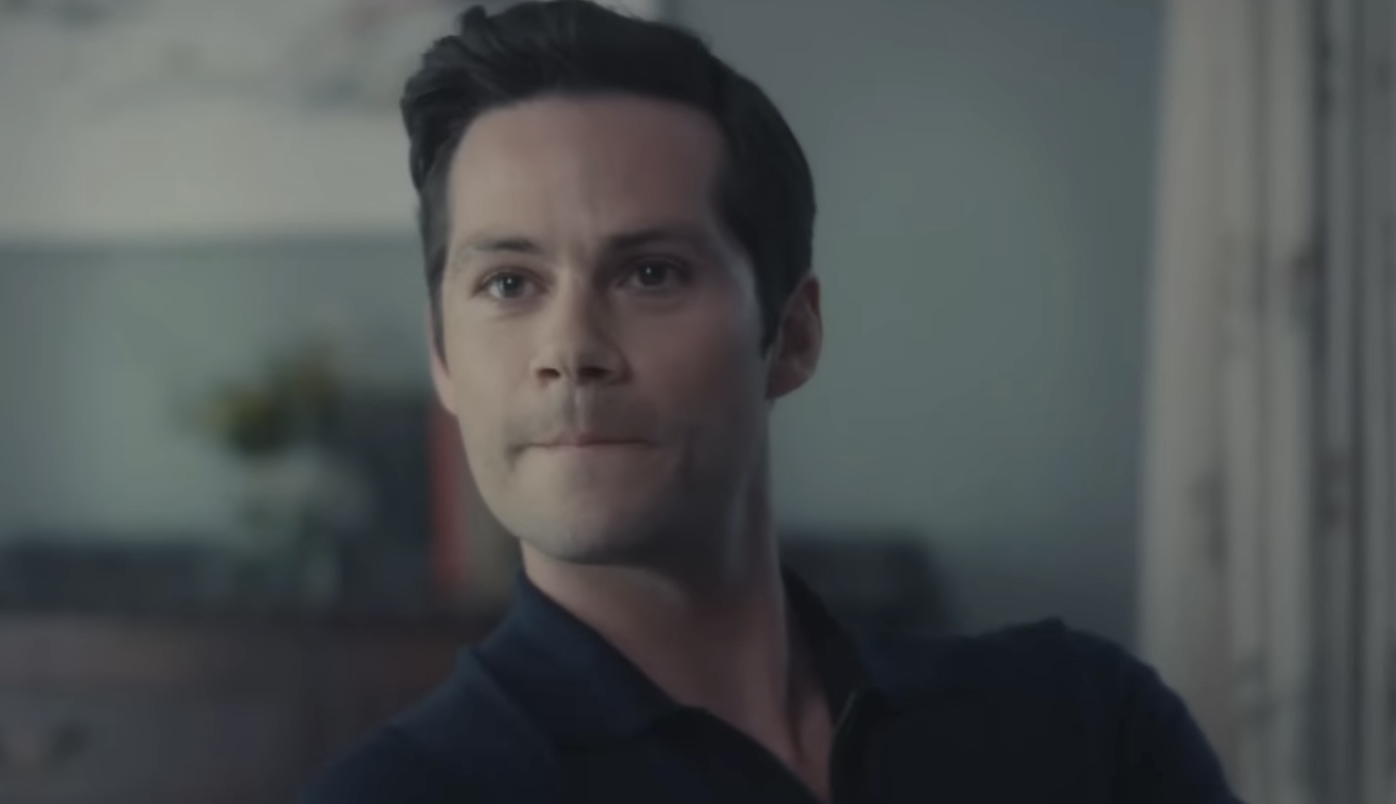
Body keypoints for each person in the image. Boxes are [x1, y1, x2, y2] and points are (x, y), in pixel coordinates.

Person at [298, 2, 1238, 802]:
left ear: (792, 335)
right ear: (443, 356)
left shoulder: (1087, 724)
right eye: (508, 283)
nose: (572, 351)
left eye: (651, 273)